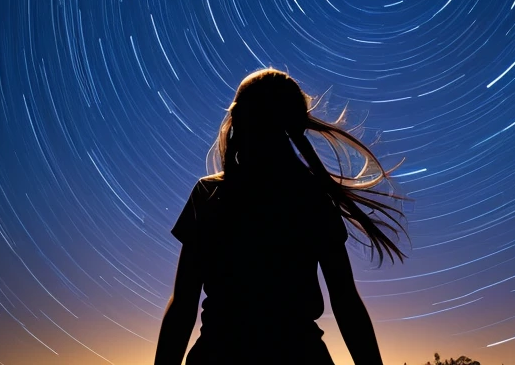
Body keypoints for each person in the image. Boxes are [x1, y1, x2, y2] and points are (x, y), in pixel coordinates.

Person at [154, 68, 408, 365]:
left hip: (219, 354)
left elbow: (184, 303)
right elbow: (345, 301)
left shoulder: (209, 194)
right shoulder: (312, 195)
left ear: (236, 120)